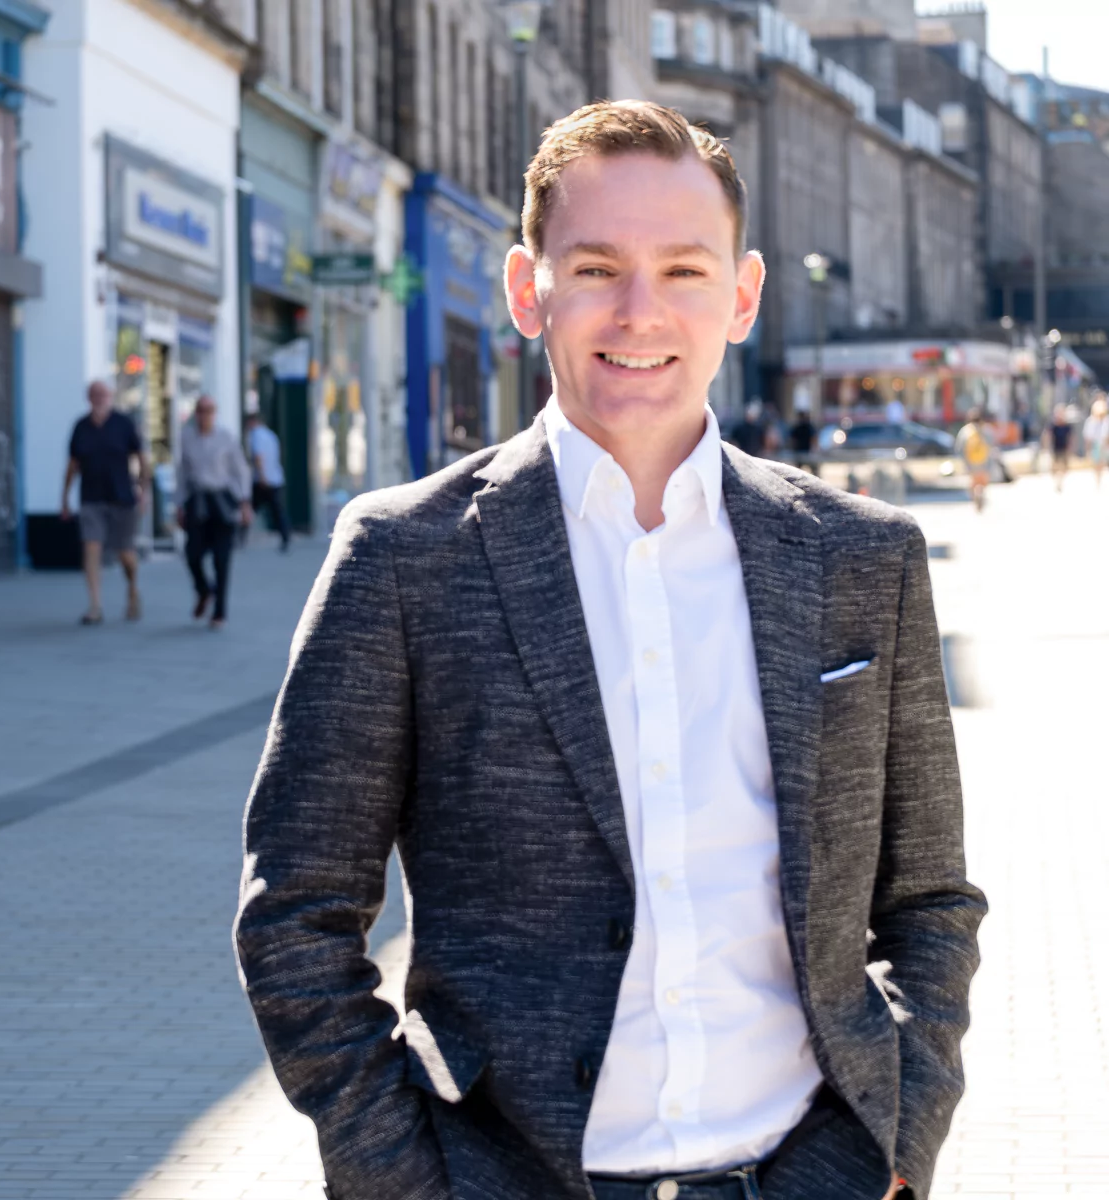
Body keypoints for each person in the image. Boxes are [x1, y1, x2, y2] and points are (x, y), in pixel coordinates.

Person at [235, 101, 985, 1200]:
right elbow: (295, 912)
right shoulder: (405, 559)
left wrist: (899, 1142)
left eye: (684, 270)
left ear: (742, 296)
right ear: (528, 290)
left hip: (809, 1171)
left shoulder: (862, 559)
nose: (641, 311)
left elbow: (928, 901)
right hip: (511, 1175)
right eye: (597, 267)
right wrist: (400, 1174)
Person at [61, 380, 148, 625]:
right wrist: (65, 498)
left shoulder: (124, 424)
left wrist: (143, 490)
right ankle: (95, 606)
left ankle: (132, 588)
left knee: (125, 554)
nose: (99, 398)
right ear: (88, 398)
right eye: (94, 394)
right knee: (91, 547)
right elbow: (72, 465)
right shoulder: (80, 427)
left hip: (122, 498)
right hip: (91, 498)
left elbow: (142, 458)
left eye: (103, 394)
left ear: (111, 396)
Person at [176, 395, 251, 628]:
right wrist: (179, 504)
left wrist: (244, 501)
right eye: (200, 410)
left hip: (222, 500)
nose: (204, 415)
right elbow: (182, 473)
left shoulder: (226, 437)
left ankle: (220, 612)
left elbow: (241, 471)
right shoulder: (186, 437)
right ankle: (204, 590)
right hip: (197, 500)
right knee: (193, 554)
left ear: (214, 413)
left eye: (209, 410)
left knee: (221, 558)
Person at [245, 411, 291, 551]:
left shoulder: (255, 435)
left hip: (263, 479)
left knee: (250, 507)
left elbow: (258, 457)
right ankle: (285, 536)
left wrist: (262, 475)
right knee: (277, 510)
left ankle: (240, 534)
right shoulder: (271, 435)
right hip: (275, 478)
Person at [954, 408, 994, 512]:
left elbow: (959, 448)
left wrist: (963, 462)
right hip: (984, 461)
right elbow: (992, 446)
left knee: (973, 481)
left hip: (970, 462)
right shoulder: (986, 430)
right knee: (982, 481)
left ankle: (975, 497)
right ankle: (980, 493)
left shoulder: (965, 431)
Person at [1083, 396, 1109, 488]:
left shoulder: (1106, 421)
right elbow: (1088, 437)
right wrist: (1088, 449)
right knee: (1097, 464)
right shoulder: (1090, 422)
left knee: (1103, 463)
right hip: (1096, 445)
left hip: (1105, 445)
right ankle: (1098, 481)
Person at [1047, 404, 1073, 491]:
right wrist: (1046, 447)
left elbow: (1070, 437)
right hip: (1055, 448)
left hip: (1064, 448)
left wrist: (1071, 448)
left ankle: (1060, 482)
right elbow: (1048, 436)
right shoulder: (1053, 425)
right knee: (1054, 467)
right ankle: (1057, 482)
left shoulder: (1067, 426)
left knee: (1064, 467)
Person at [787, 403, 817, 474]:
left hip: (803, 451)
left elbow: (792, 440)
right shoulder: (806, 427)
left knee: (799, 470)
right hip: (803, 451)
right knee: (807, 469)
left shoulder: (802, 427)